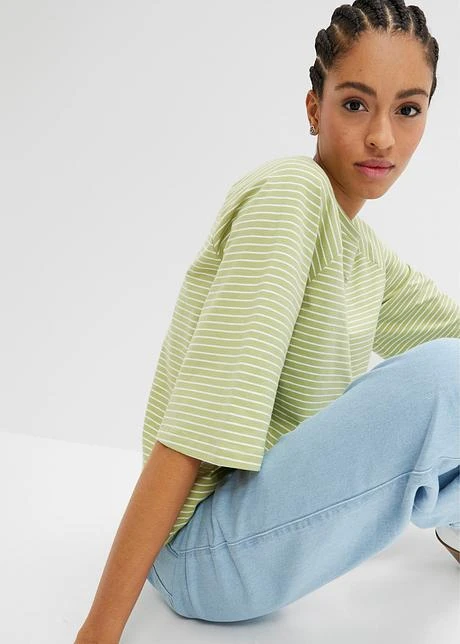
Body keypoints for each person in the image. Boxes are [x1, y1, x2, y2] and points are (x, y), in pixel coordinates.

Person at [75, 0, 460, 640]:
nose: (382, 137)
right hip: (203, 552)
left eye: (408, 109)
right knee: (448, 376)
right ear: (314, 108)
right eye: (356, 103)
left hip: (256, 538)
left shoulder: (363, 255)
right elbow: (199, 423)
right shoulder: (290, 197)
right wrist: (98, 632)